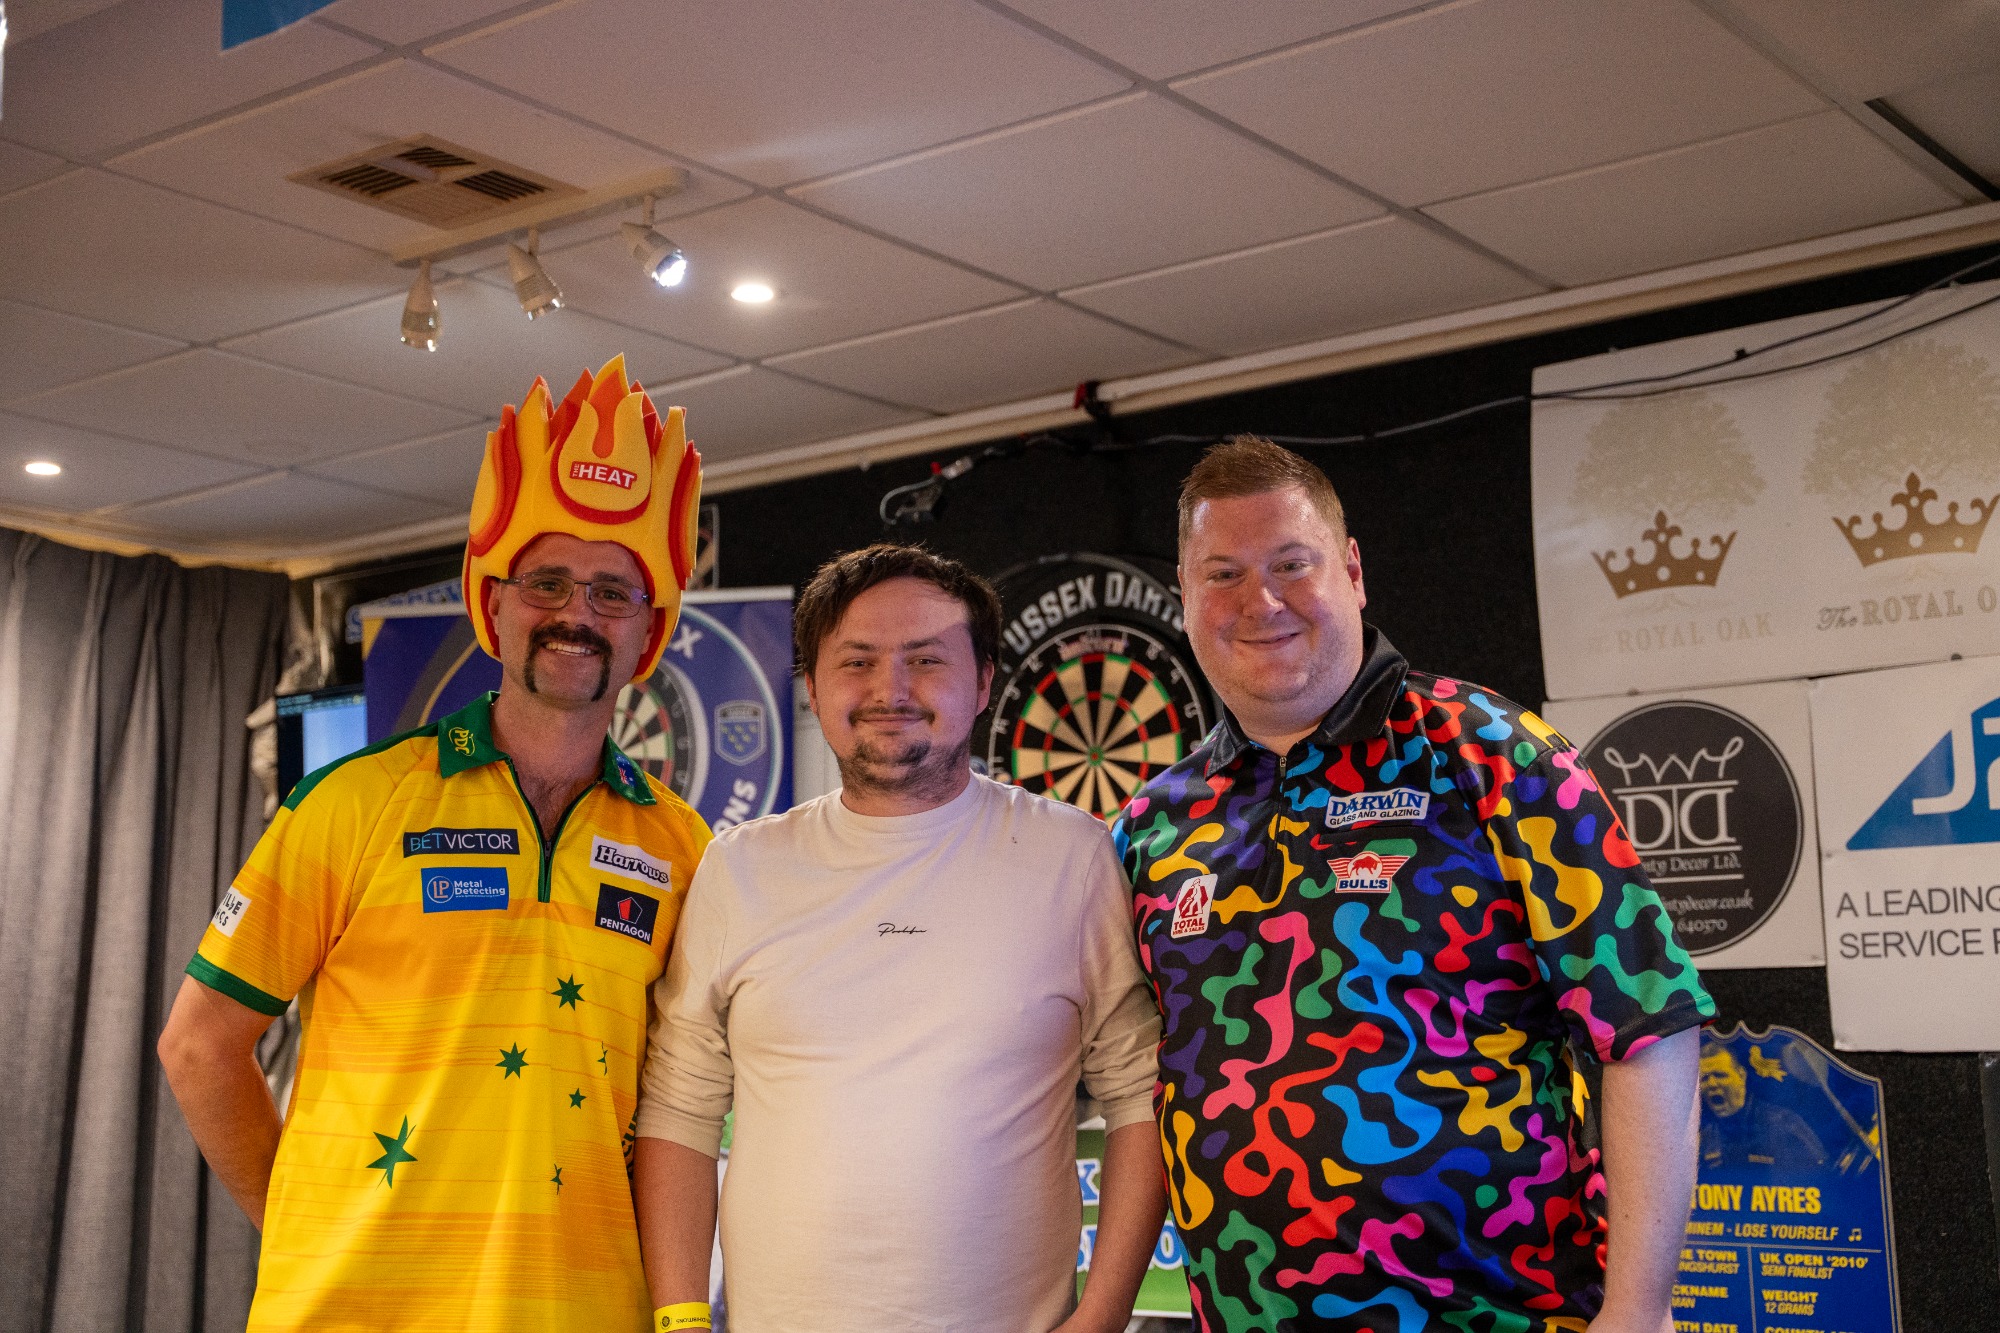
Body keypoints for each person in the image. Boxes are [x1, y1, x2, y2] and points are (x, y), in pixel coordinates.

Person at [157, 357, 711, 1331]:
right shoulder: (356, 801)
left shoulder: (684, 847)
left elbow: (684, 1106)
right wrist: (301, 1229)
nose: (576, 613)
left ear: (649, 630)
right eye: (546, 581)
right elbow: (200, 1045)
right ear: (491, 602)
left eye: (611, 593)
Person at [1111, 438, 1713, 1333]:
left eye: (1291, 564)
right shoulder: (1151, 829)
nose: (1260, 601)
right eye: (1223, 574)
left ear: (1353, 572)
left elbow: (1649, 1024)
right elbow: (1135, 1087)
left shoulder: (1491, 753)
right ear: (1185, 597)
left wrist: (1639, 1309)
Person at [634, 543, 1166, 1333]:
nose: (890, 689)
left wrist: (1103, 1316)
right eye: (857, 661)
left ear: (983, 682)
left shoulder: (1072, 858)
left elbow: (1141, 1092)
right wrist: (680, 1322)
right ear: (813, 687)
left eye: (926, 659)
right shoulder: (739, 869)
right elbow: (679, 1108)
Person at [1698, 1043, 1827, 1173]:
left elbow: (1818, 1169)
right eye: (1704, 1078)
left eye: (1720, 1075)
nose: (1712, 1084)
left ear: (1741, 1076)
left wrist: (1745, 1159)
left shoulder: (1783, 1123)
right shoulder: (1704, 1138)